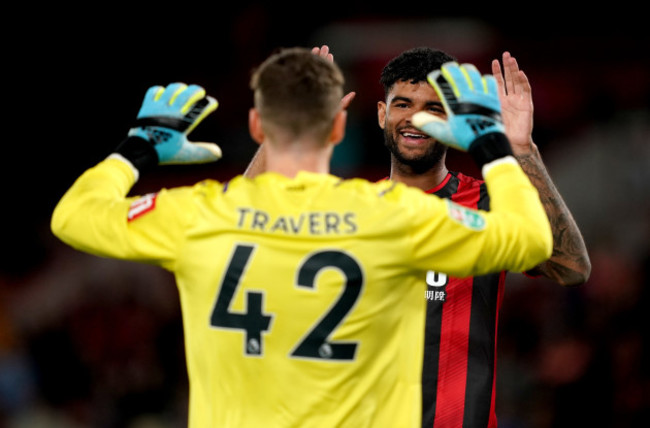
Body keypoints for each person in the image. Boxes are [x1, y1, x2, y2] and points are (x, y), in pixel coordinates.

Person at [50, 47, 552, 427]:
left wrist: (139, 148)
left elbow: (72, 216)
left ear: (255, 124)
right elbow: (531, 239)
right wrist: (493, 144)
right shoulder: (391, 215)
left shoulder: (204, 213)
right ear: (339, 127)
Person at [245, 45, 591, 427]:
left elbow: (570, 267)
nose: (415, 119)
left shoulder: (490, 203)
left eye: (434, 107)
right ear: (381, 114)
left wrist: (521, 149)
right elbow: (240, 226)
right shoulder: (348, 208)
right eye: (403, 104)